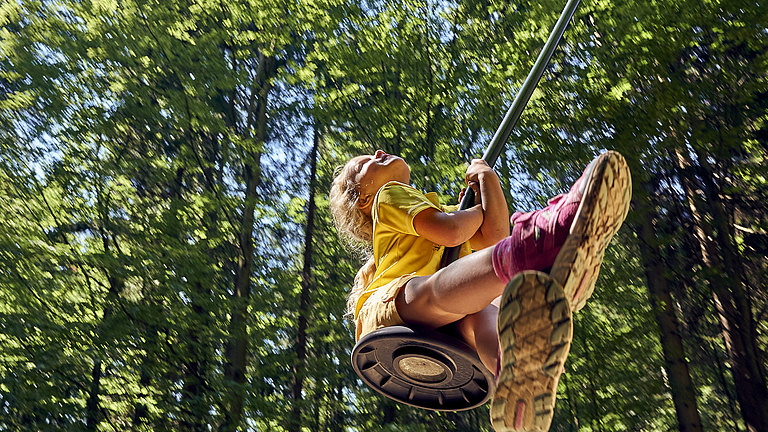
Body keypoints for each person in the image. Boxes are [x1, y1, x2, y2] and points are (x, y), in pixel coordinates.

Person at [329, 150, 631, 432]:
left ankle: (515, 373)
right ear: (362, 199)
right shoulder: (387, 196)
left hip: (439, 322)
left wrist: (487, 180)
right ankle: (539, 248)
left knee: (482, 311)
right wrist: (473, 212)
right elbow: (452, 231)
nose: (379, 154)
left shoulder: (435, 211)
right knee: (432, 289)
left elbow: (493, 236)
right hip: (392, 312)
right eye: (364, 163)